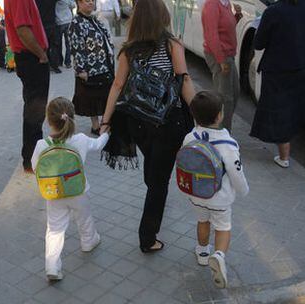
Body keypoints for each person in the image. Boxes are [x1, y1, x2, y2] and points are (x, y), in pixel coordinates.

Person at [101, 0, 196, 253]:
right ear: (161, 16)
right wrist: (201, 116)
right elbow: (183, 80)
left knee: (154, 169)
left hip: (138, 122)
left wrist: (106, 121)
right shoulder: (171, 45)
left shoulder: (128, 49)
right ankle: (147, 238)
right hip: (167, 123)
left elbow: (117, 86)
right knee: (158, 184)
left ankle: (154, 193)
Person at [31, 97, 110, 281]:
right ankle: (88, 241)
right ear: (72, 118)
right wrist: (105, 133)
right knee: (84, 217)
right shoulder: (81, 139)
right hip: (79, 191)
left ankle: (52, 266)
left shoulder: (41, 145)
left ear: (48, 120)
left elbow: (36, 167)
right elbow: (98, 144)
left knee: (55, 228)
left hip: (54, 194)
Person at [182, 91, 249, 288]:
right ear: (219, 115)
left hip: (196, 194)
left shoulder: (189, 137)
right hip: (220, 197)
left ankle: (203, 252)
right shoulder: (228, 143)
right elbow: (236, 172)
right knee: (222, 227)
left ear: (194, 116)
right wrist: (243, 190)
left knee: (202, 221)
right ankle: (219, 256)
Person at [249, 0, 305, 168]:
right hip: (304, 67)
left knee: (280, 111)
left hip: (278, 70)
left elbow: (259, 43)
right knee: (293, 109)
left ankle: (284, 156)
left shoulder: (274, 11)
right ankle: (285, 152)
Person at [4, 0, 50, 173]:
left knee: (35, 109)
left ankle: (32, 156)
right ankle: (32, 159)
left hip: (30, 57)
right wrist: (41, 54)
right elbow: (22, 30)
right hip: (32, 58)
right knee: (35, 110)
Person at [69, 0, 115, 136]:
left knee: (105, 96)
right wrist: (81, 69)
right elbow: (76, 47)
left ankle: (105, 123)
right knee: (92, 98)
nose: (90, 3)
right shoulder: (76, 23)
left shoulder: (94, 19)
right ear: (79, 3)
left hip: (103, 65)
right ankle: (95, 125)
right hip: (91, 68)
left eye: (92, 1)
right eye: (86, 1)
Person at [201, 0, 243, 132]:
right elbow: (211, 35)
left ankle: (222, 131)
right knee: (226, 99)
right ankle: (222, 134)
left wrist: (237, 16)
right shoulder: (212, 4)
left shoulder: (225, 3)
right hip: (220, 55)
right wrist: (221, 60)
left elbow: (225, 28)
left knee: (234, 93)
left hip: (228, 55)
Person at [35, 0, 61, 73]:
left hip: (41, 26)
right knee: (54, 46)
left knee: (44, 47)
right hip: (52, 24)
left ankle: (45, 64)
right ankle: (55, 66)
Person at [55, 0, 75, 69]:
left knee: (59, 44)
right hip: (68, 22)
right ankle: (68, 62)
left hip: (58, 22)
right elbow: (73, 5)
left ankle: (60, 61)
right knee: (68, 44)